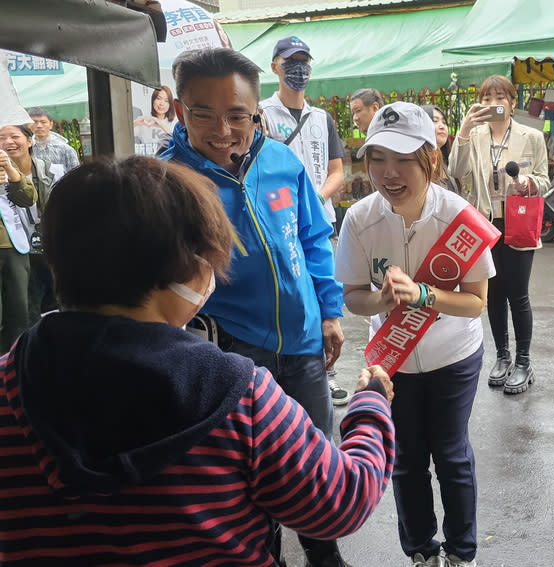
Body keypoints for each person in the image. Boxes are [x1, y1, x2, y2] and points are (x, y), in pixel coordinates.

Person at [0, 156, 395, 565]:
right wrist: (371, 406)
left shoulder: (9, 381)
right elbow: (341, 502)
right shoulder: (241, 397)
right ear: (185, 266)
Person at [159, 48, 349, 567]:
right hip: (232, 354)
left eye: (236, 114)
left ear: (255, 110)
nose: (223, 129)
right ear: (180, 111)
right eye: (203, 113)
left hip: (306, 342)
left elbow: (313, 239)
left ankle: (323, 552)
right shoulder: (166, 183)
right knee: (244, 469)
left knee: (314, 459)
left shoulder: (281, 161)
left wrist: (329, 313)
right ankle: (265, 555)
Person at [336, 101, 495, 567]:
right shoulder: (360, 219)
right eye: (378, 157)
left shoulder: (459, 218)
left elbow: (476, 301)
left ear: (430, 157)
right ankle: (421, 551)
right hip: (392, 361)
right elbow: (352, 296)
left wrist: (423, 294)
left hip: (454, 357)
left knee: (450, 455)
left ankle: (461, 552)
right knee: (404, 457)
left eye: (404, 158)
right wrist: (383, 301)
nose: (389, 172)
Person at [259, 36, 351, 406]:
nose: (298, 69)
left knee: (322, 297)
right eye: (290, 61)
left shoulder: (321, 118)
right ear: (274, 67)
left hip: (317, 224)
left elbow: (337, 171)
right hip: (278, 223)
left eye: (304, 62)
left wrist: (315, 198)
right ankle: (281, 372)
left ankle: (323, 374)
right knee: (288, 296)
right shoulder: (261, 114)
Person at [449, 75, 550, 395]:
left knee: (517, 293)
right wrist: (464, 131)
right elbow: (457, 172)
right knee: (492, 293)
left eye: (500, 97)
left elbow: (546, 181)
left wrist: (529, 184)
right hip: (484, 224)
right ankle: (502, 357)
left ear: (512, 102)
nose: (494, 104)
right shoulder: (474, 135)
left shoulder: (532, 136)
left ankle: (523, 362)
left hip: (518, 222)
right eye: (487, 98)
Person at [0, 124, 57, 323]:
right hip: (17, 246)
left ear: (29, 141)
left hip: (32, 245)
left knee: (34, 308)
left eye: (14, 136)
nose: (7, 142)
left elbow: (30, 198)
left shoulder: (49, 169)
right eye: (1, 137)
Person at [0, 145, 36, 352]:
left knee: (19, 311)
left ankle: (16, 363)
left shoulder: (4, 160)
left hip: (14, 245)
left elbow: (28, 198)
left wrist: (11, 171)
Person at [27, 107, 80, 178]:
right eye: (34, 122)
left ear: (51, 124)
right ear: (28, 125)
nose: (39, 126)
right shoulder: (26, 148)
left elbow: (76, 176)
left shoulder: (65, 150)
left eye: (43, 122)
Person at [421, 104, 462, 195]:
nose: (442, 126)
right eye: (435, 121)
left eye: (444, 122)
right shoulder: (418, 166)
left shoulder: (448, 164)